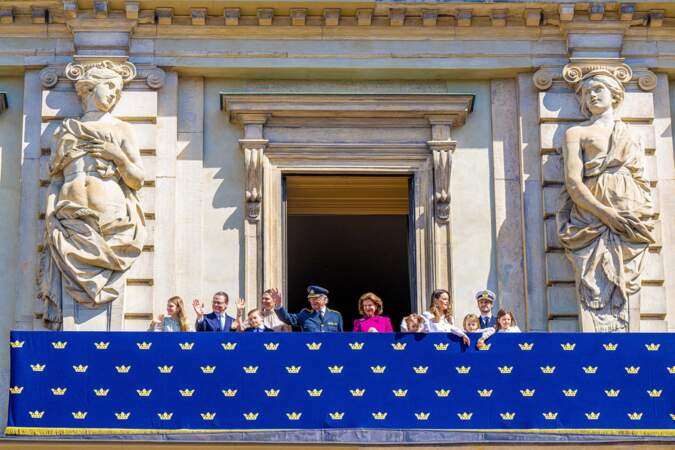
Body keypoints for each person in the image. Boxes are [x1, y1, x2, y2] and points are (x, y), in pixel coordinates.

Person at [38, 61, 146, 329]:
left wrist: (118, 156)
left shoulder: (121, 129)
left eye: (118, 91)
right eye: (108, 86)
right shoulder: (65, 130)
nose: (114, 94)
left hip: (110, 221)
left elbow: (137, 179)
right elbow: (55, 178)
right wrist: (51, 212)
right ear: (88, 88)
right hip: (69, 219)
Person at [559, 70, 654, 332]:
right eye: (587, 92)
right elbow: (573, 183)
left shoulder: (632, 134)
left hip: (631, 215)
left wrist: (641, 209)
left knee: (630, 278)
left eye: (598, 89)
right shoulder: (576, 132)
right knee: (595, 285)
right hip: (591, 217)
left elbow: (642, 178)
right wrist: (604, 213)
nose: (591, 95)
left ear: (614, 94)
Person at [274, 285, 343, 332]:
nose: (312, 301)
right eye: (310, 299)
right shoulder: (305, 314)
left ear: (325, 300)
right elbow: (288, 318)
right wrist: (279, 305)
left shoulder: (336, 316)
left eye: (316, 298)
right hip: (311, 351)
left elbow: (341, 338)